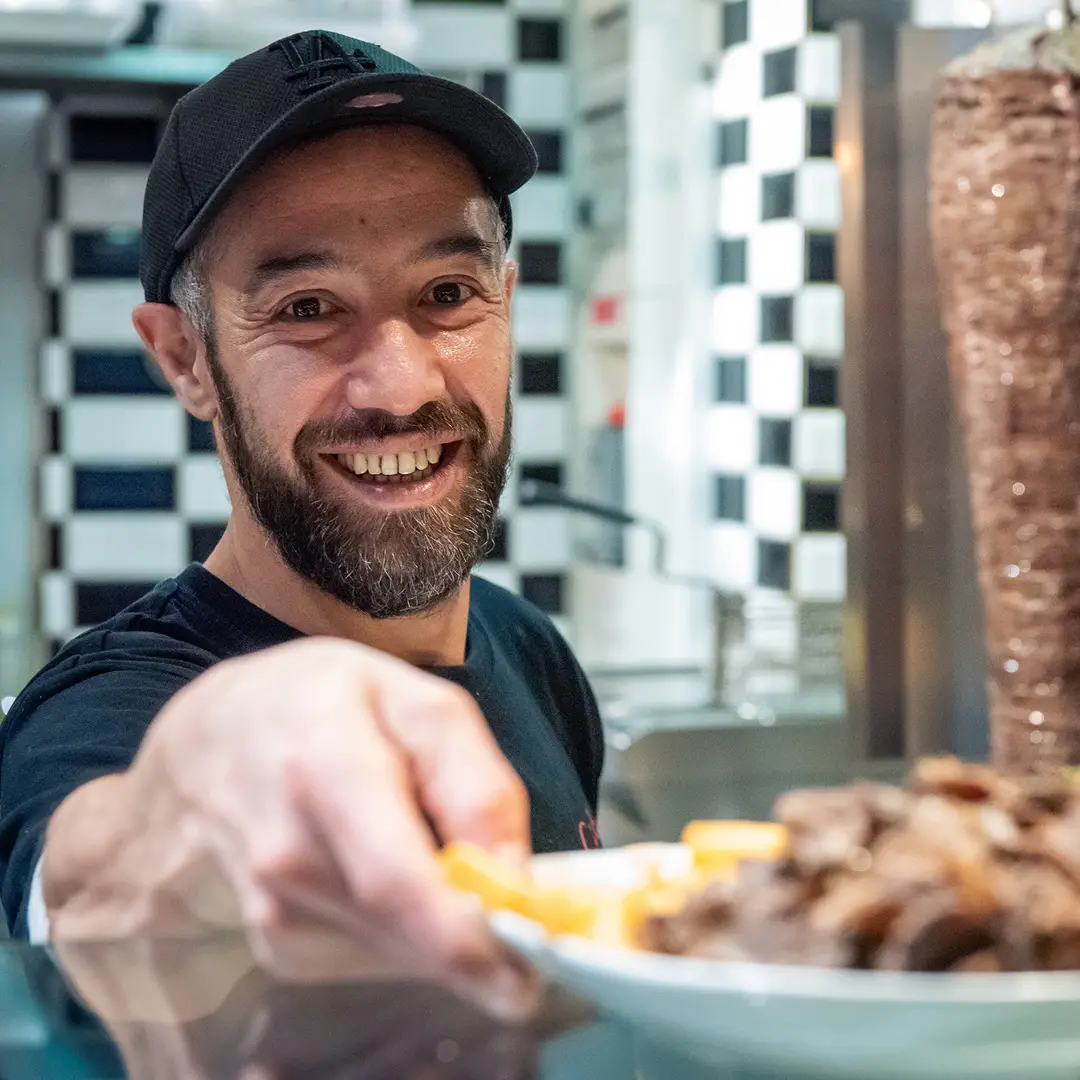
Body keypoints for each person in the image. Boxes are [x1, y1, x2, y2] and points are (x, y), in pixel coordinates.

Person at [0, 30, 604, 993]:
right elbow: (90, 883)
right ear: (185, 360)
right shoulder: (117, 709)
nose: (401, 387)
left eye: (448, 294)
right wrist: (171, 822)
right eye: (307, 308)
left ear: (507, 303)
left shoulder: (526, 647)